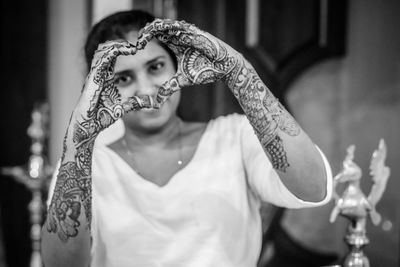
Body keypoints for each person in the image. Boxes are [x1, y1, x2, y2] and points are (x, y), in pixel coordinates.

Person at [41, 9, 332, 267]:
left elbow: (313, 189)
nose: (145, 90)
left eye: (155, 67)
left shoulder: (234, 137)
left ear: (177, 65)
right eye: (123, 78)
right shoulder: (84, 167)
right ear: (101, 91)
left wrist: (239, 71)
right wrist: (78, 139)